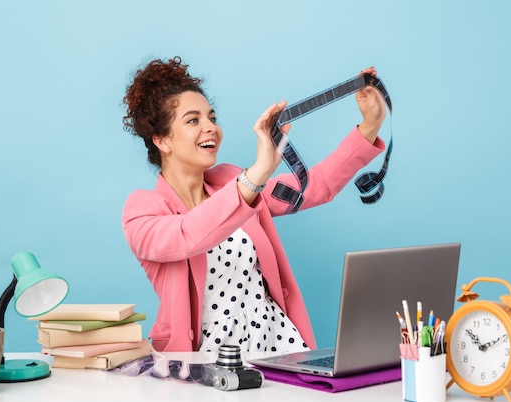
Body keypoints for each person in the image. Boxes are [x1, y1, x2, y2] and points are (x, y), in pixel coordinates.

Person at [121, 56, 386, 354]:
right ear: (162, 141)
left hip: (277, 342)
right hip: (206, 357)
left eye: (212, 117)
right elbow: (188, 235)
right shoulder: (142, 210)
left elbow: (315, 188)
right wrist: (257, 174)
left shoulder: (232, 180)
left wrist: (371, 124)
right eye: (193, 120)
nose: (210, 128)